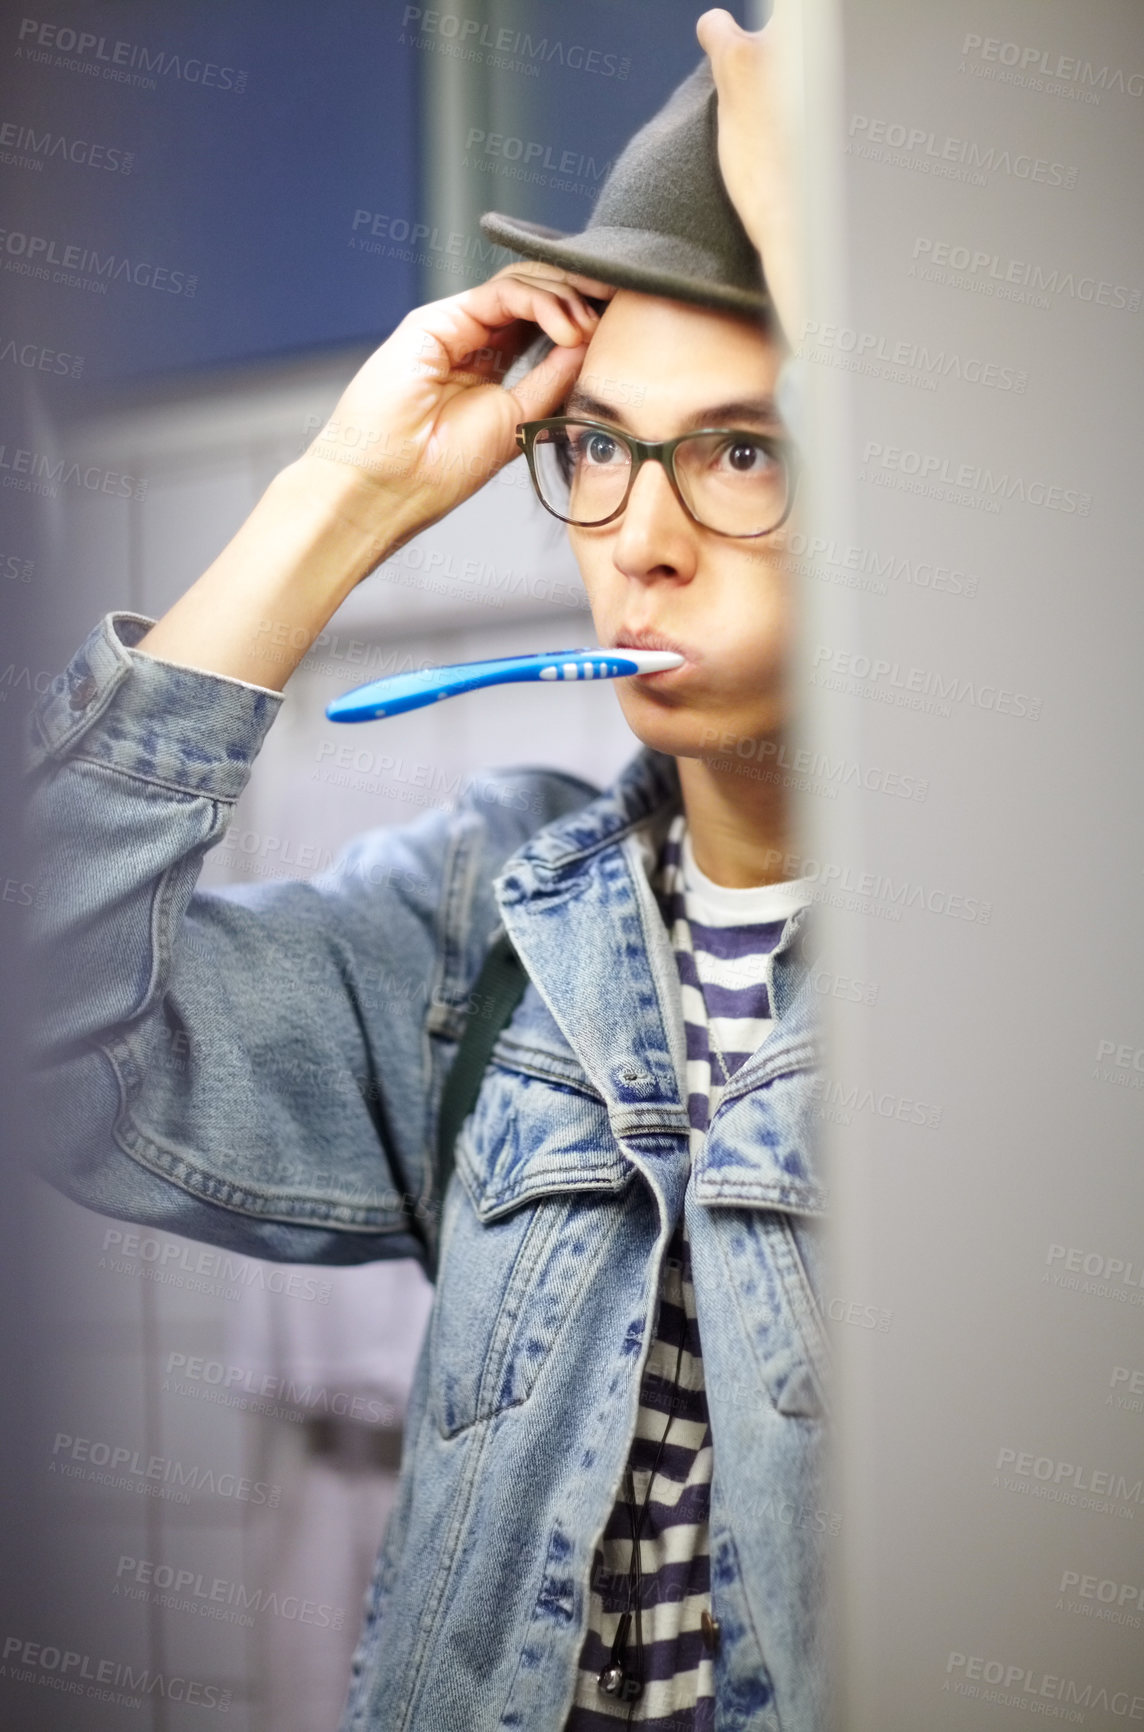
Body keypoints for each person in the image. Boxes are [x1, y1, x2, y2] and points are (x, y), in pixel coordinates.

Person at [24, 10, 827, 1729]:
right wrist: (341, 492)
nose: (641, 536)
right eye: (600, 444)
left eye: (747, 445)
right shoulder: (481, 934)